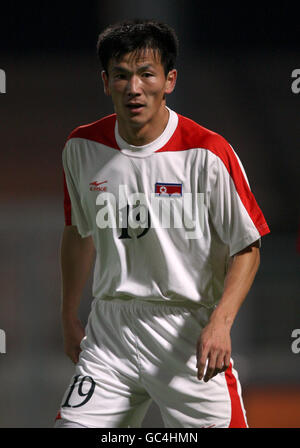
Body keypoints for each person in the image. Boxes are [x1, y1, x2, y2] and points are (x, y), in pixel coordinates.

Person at [54, 19, 270, 428]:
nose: (134, 88)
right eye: (121, 75)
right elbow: (77, 232)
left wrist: (221, 323)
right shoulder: (81, 147)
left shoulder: (207, 152)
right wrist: (68, 316)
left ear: (169, 80)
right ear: (105, 82)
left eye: (146, 74)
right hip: (110, 335)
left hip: (187, 334)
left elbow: (248, 245)